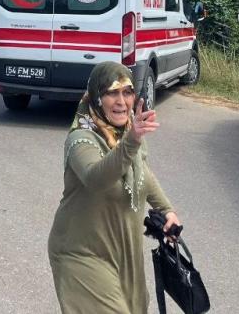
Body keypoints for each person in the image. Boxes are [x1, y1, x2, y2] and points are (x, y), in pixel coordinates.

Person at [47, 62, 181, 314]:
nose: (121, 101)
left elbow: (142, 174)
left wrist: (167, 209)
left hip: (124, 254)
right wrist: (131, 142)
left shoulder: (128, 132)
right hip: (81, 252)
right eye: (111, 93)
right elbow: (96, 178)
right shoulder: (81, 139)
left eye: (127, 92)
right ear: (97, 97)